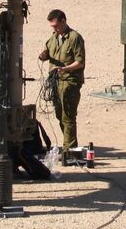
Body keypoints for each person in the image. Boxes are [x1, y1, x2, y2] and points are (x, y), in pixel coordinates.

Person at [39, 9, 85, 154]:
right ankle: (68, 146)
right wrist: (44, 55)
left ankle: (69, 150)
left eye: (56, 26)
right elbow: (48, 52)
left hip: (70, 82)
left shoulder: (74, 38)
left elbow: (80, 62)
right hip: (55, 82)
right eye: (52, 26)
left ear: (63, 21)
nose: (54, 29)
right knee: (60, 115)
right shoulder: (53, 38)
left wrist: (65, 69)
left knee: (68, 116)